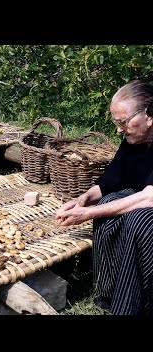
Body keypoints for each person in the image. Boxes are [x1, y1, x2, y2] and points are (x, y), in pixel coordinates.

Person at [55, 80, 153, 316]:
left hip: (148, 200)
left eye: (124, 121)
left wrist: (87, 214)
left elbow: (148, 199)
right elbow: (109, 179)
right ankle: (108, 293)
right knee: (108, 202)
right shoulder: (134, 140)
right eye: (116, 122)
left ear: (149, 115)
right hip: (144, 197)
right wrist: (84, 199)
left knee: (137, 221)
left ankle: (136, 306)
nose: (119, 129)